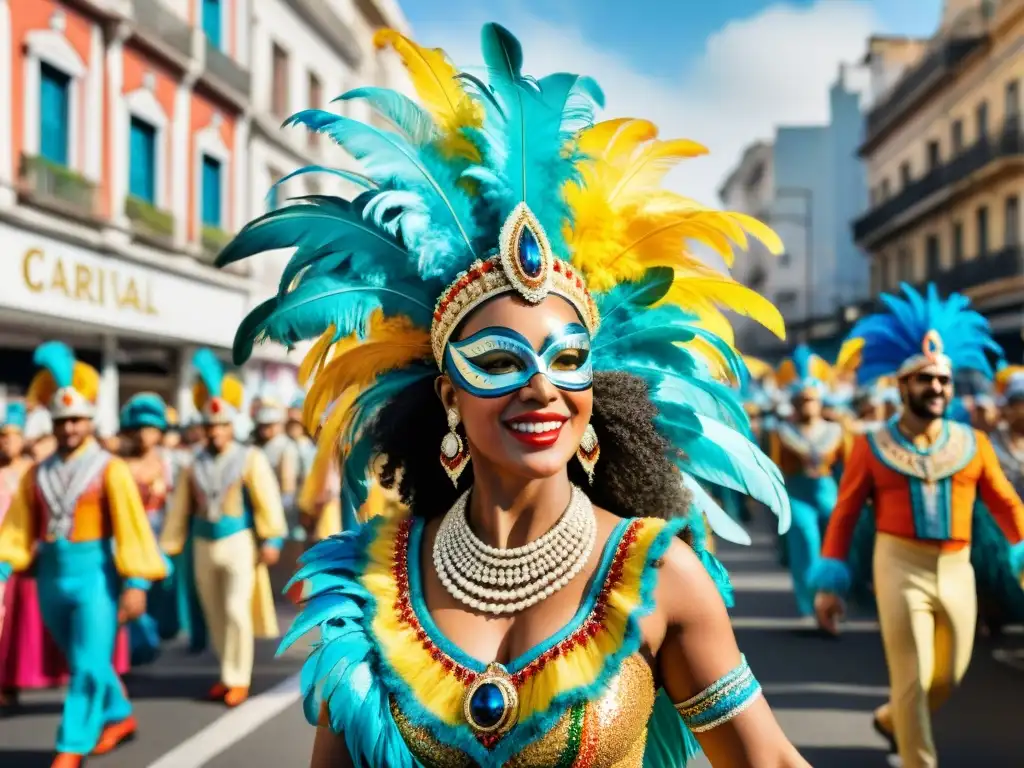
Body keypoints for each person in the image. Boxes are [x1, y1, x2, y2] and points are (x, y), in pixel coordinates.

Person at [215, 24, 806, 767]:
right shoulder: (371, 586)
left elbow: (769, 762)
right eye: (499, 361)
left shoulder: (659, 575)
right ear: (448, 396)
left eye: (568, 361)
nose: (542, 388)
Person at [811, 283, 1024, 768]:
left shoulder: (973, 443)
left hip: (957, 569)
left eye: (944, 380)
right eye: (925, 379)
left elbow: (1007, 504)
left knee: (946, 677)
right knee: (912, 677)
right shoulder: (871, 446)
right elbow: (844, 514)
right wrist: (829, 582)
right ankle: (917, 759)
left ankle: (890, 720)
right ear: (903, 385)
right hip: (898, 565)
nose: (937, 388)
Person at [0, 342, 166, 767]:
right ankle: (119, 715)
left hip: (96, 578)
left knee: (88, 663)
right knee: (83, 659)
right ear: (53, 423)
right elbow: (17, 528)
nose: (69, 427)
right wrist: (4, 565)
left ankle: (71, 744)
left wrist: (136, 582)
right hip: (51, 578)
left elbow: (133, 528)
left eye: (76, 419)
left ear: (89, 421)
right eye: (62, 420)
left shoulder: (110, 468)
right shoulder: (36, 473)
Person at [160, 349, 288, 708]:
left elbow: (267, 500)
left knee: (235, 609)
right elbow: (179, 509)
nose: (215, 432)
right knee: (214, 612)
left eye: (221, 425)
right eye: (210, 426)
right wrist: (169, 547)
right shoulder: (192, 463)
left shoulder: (250, 458)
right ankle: (226, 674)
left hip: (238, 542)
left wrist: (272, 537)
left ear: (231, 427)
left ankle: (238, 678)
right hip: (203, 543)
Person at [769, 345, 844, 618]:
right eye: (802, 399)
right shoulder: (782, 432)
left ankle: (833, 597)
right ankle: (810, 602)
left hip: (827, 492)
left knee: (834, 548)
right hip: (797, 493)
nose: (807, 404)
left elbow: (847, 468)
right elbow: (774, 468)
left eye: (812, 399)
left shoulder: (837, 430)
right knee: (806, 544)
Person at [0, 401, 64, 713]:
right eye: (2, 436)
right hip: (3, 557)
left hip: (27, 556)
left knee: (23, 624)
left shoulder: (34, 472)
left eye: (12, 436)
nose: (6, 442)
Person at [120, 393, 180, 657]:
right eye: (139, 429)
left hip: (160, 532)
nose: (144, 435)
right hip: (128, 535)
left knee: (162, 587)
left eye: (150, 429)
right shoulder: (120, 465)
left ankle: (156, 634)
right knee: (132, 586)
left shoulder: (169, 463)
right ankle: (133, 645)